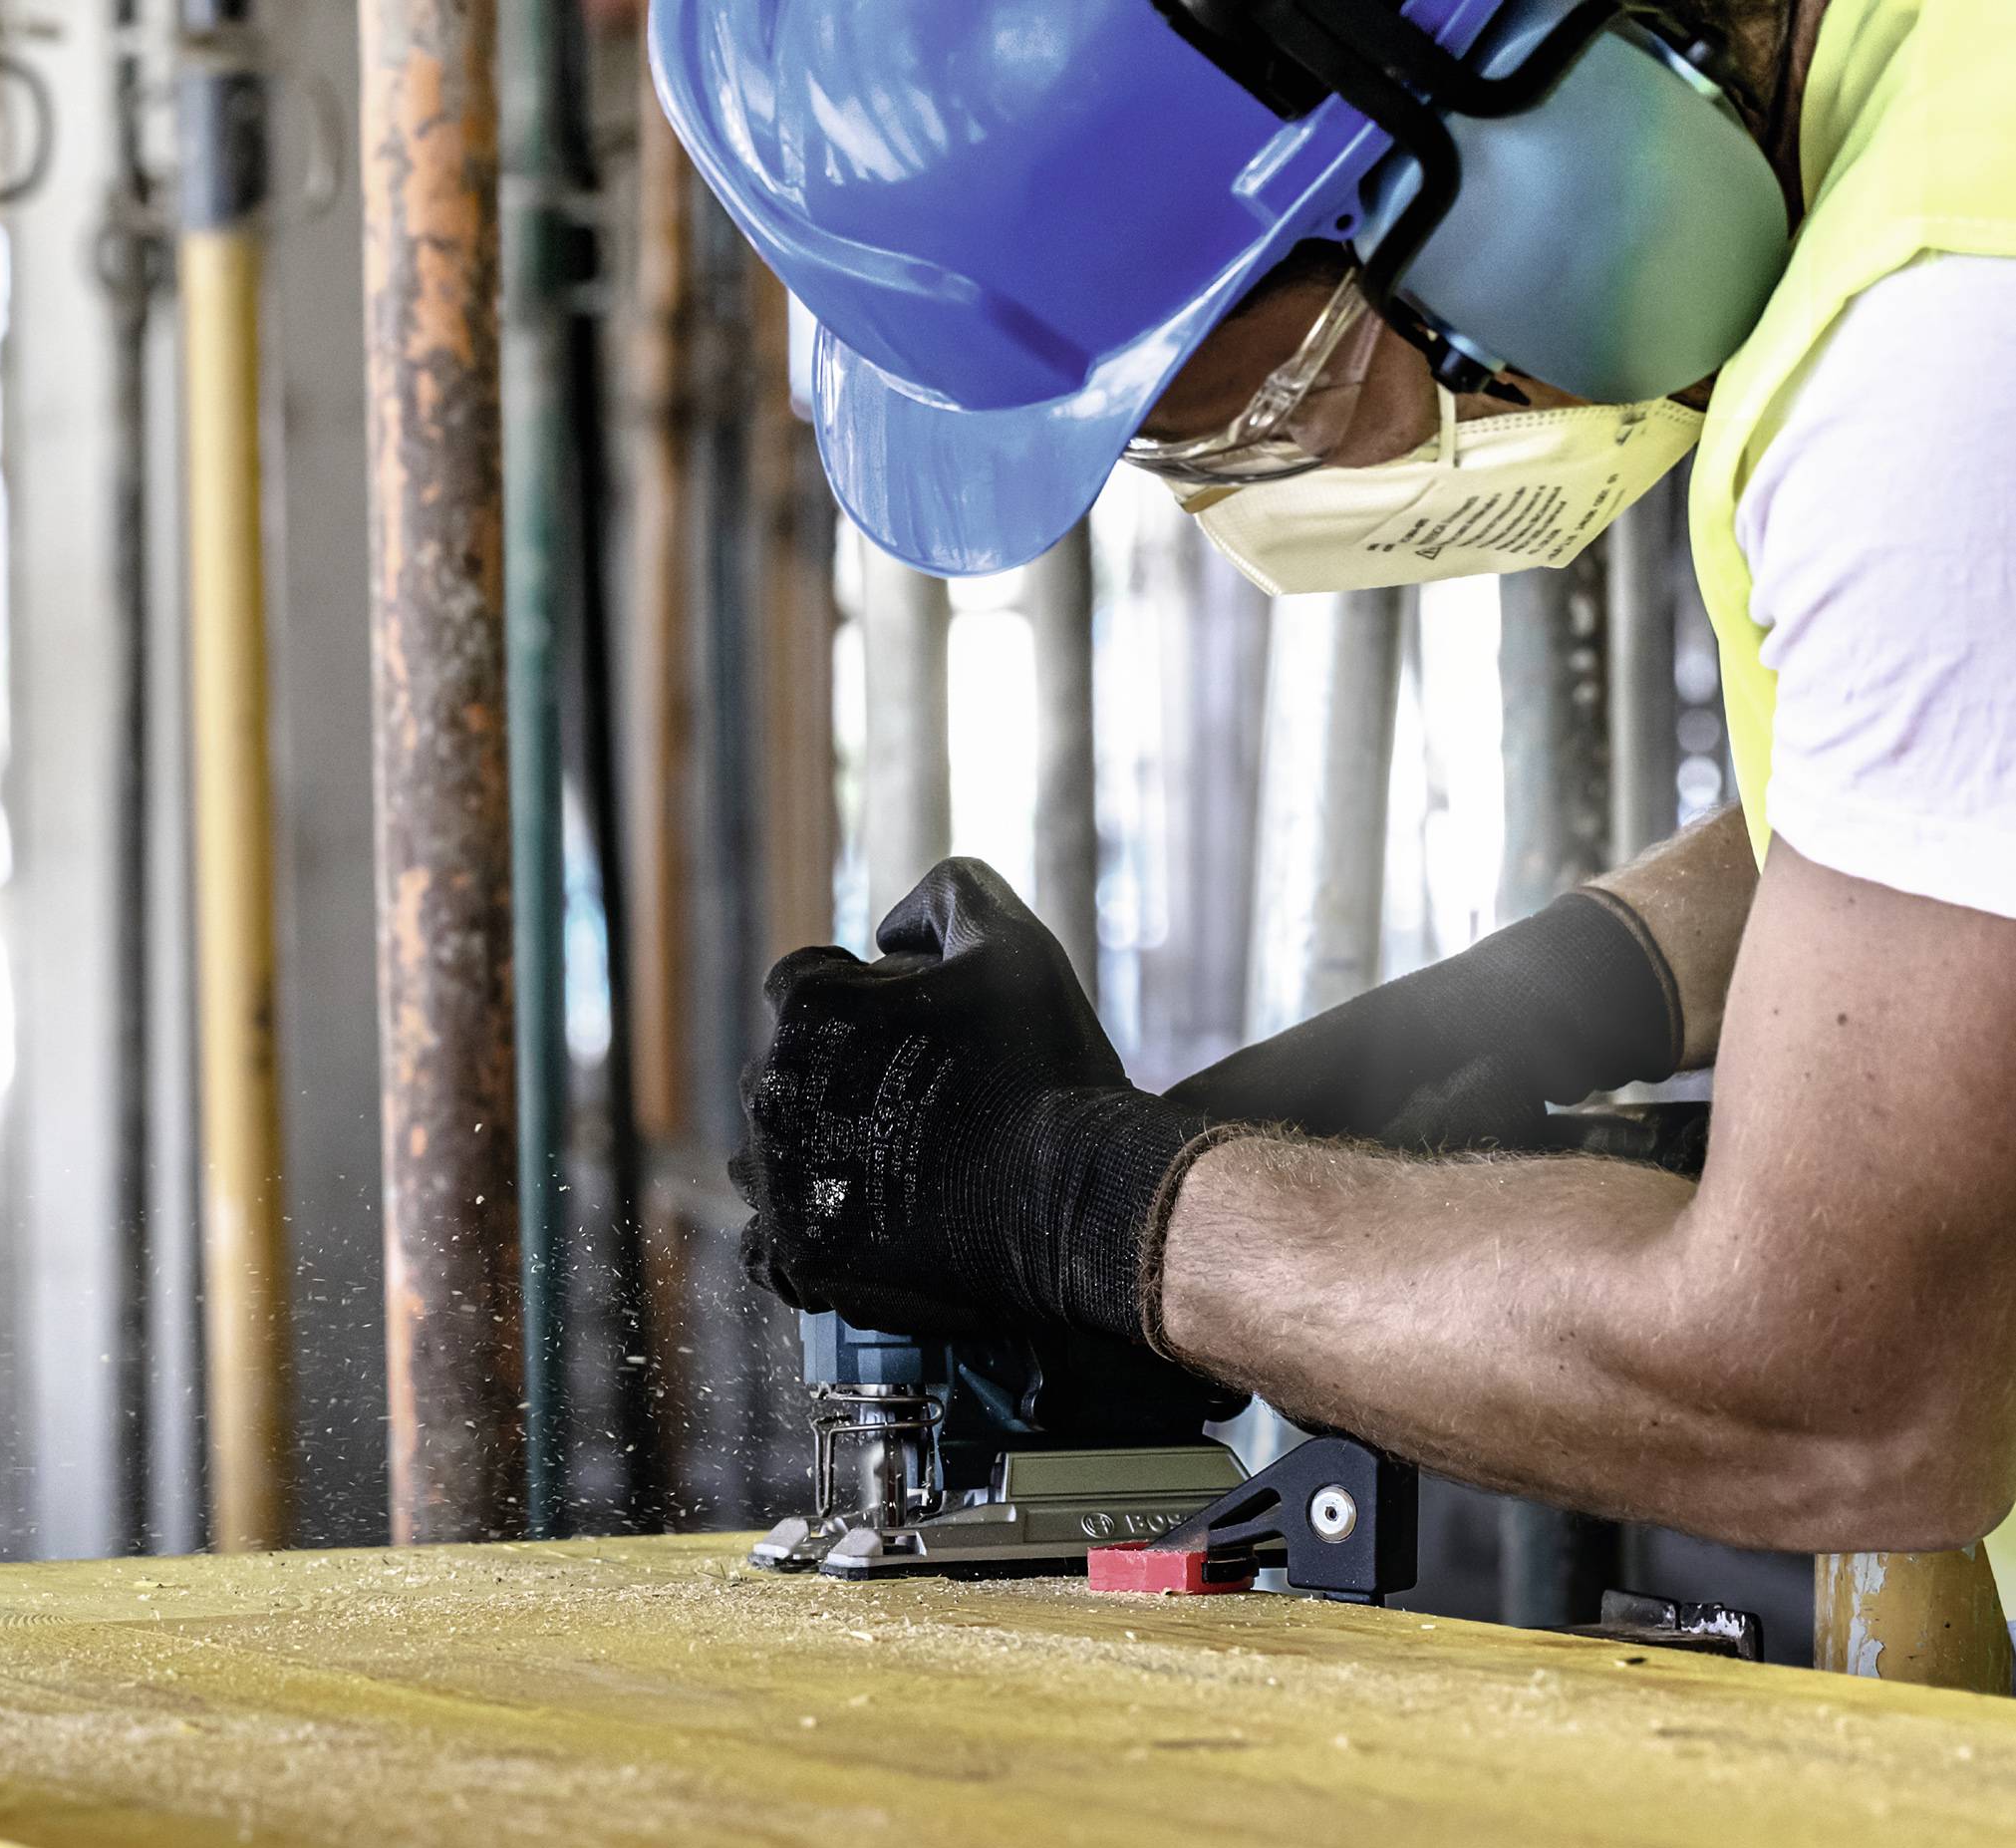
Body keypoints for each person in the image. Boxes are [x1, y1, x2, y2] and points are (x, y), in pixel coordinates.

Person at [658, 0, 2016, 1657]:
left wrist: (1095, 1212)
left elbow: (1851, 1393)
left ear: (1517, 139)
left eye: (1268, 415)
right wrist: (1552, 998)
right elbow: (1933, 794)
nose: (1299, 485)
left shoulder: (1943, 356)